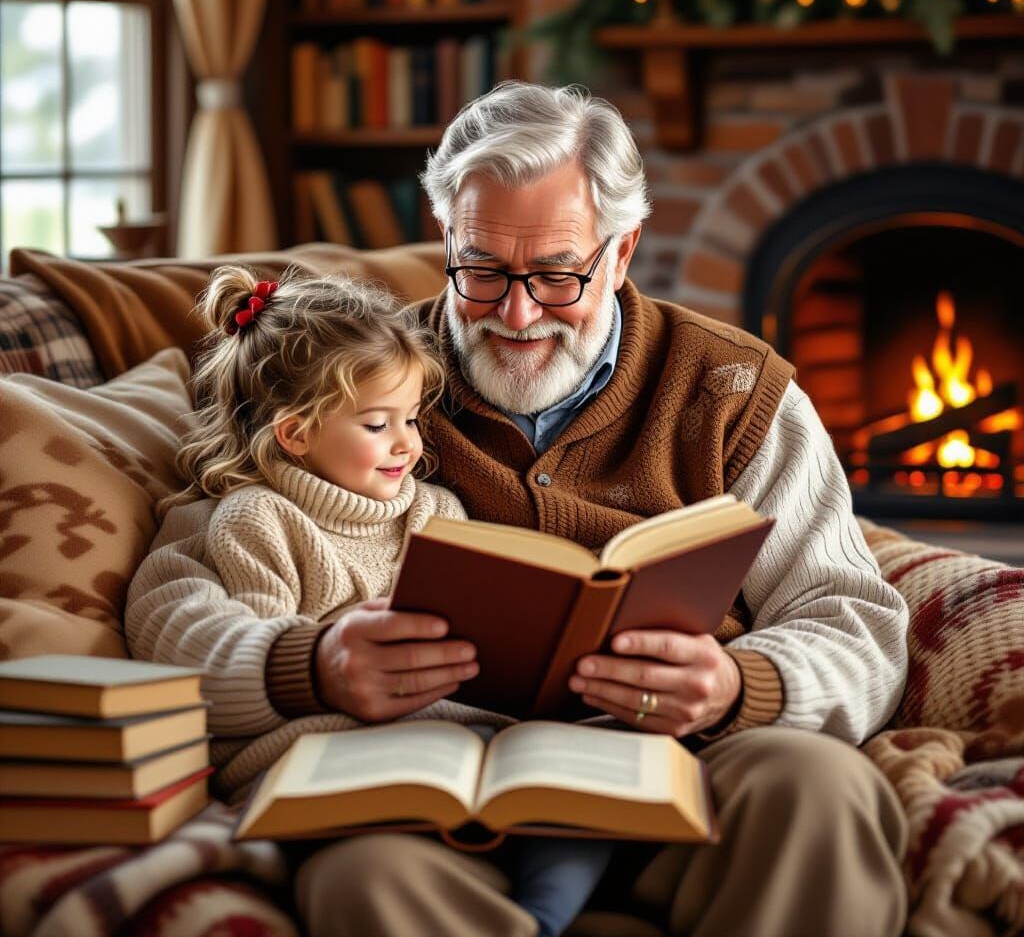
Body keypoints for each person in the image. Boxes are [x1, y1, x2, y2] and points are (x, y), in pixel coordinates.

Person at [128, 82, 911, 937]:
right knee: (366, 876)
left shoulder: (730, 389)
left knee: (820, 790)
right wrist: (308, 666)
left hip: (686, 766)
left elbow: (854, 617)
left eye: (556, 274)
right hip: (431, 792)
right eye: (485, 269)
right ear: (446, 237)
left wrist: (739, 686)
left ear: (622, 251)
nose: (516, 312)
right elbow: (180, 587)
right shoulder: (363, 380)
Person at [128, 265, 612, 937]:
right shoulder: (256, 519)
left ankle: (542, 918)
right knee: (380, 858)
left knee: (580, 786)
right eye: (379, 423)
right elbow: (199, 634)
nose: (409, 443)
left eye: (412, 418)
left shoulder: (435, 512)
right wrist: (313, 661)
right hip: (332, 760)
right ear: (295, 433)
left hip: (466, 742)